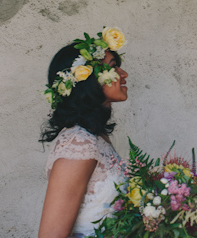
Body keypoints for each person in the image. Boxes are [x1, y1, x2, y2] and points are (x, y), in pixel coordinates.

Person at [38, 27, 129, 238]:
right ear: (87, 78)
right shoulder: (78, 143)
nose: (123, 74)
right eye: (114, 68)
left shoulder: (94, 138)